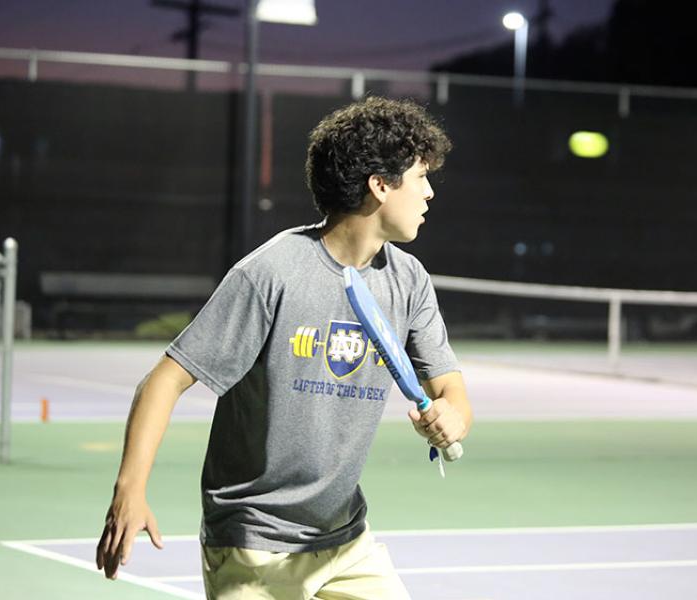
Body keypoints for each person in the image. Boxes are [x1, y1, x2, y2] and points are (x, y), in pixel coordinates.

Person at [96, 96, 473, 599]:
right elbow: (164, 380)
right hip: (254, 542)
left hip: (345, 540)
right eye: (420, 176)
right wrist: (131, 489)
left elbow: (450, 386)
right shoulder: (271, 274)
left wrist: (453, 414)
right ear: (380, 185)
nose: (429, 192)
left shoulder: (408, 280)